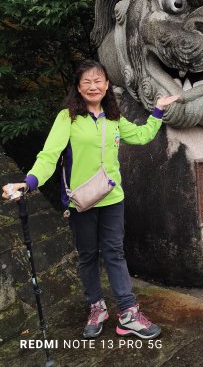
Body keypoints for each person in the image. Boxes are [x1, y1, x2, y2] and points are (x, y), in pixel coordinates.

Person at [2, 59, 180, 340]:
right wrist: (29, 183)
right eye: (87, 81)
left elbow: (142, 135)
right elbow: (48, 156)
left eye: (99, 81)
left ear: (107, 85)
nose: (93, 86)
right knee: (87, 256)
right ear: (78, 86)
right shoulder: (67, 119)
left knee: (114, 252)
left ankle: (127, 313)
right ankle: (96, 307)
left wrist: (158, 110)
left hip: (112, 198)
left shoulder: (114, 118)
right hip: (81, 201)